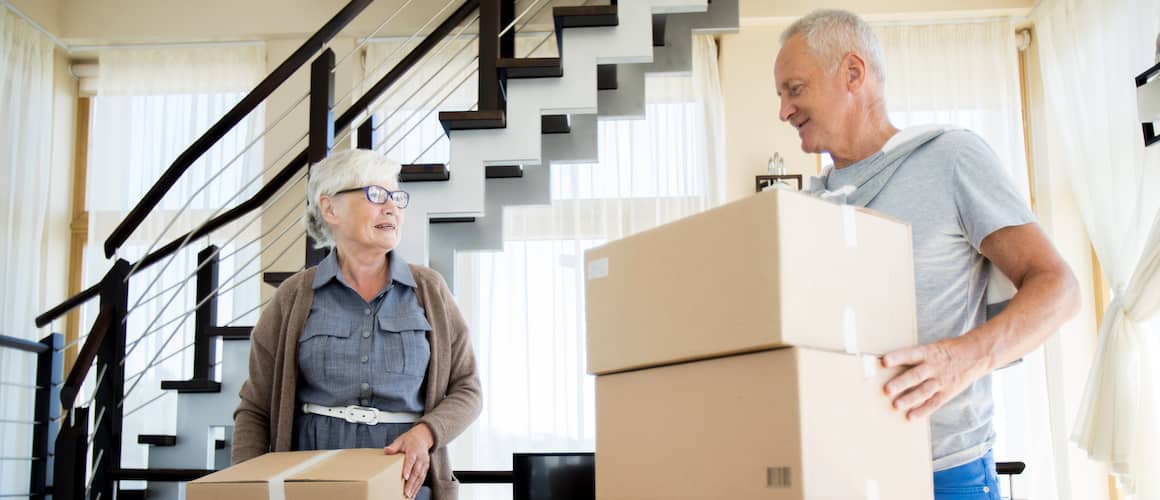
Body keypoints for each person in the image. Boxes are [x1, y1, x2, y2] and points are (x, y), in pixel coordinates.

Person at [774, 10, 1080, 500]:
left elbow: (1059, 288)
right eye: (781, 96)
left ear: (853, 73)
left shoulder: (950, 159)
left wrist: (965, 359)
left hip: (943, 474)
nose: (784, 111)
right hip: (836, 471)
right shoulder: (807, 206)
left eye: (794, 89)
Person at [232, 149, 482, 500]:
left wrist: (425, 434)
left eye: (396, 197)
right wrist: (245, 489)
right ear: (330, 208)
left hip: (406, 486)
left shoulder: (430, 290)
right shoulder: (293, 297)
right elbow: (255, 408)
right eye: (376, 195)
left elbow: (467, 389)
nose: (392, 207)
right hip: (311, 484)